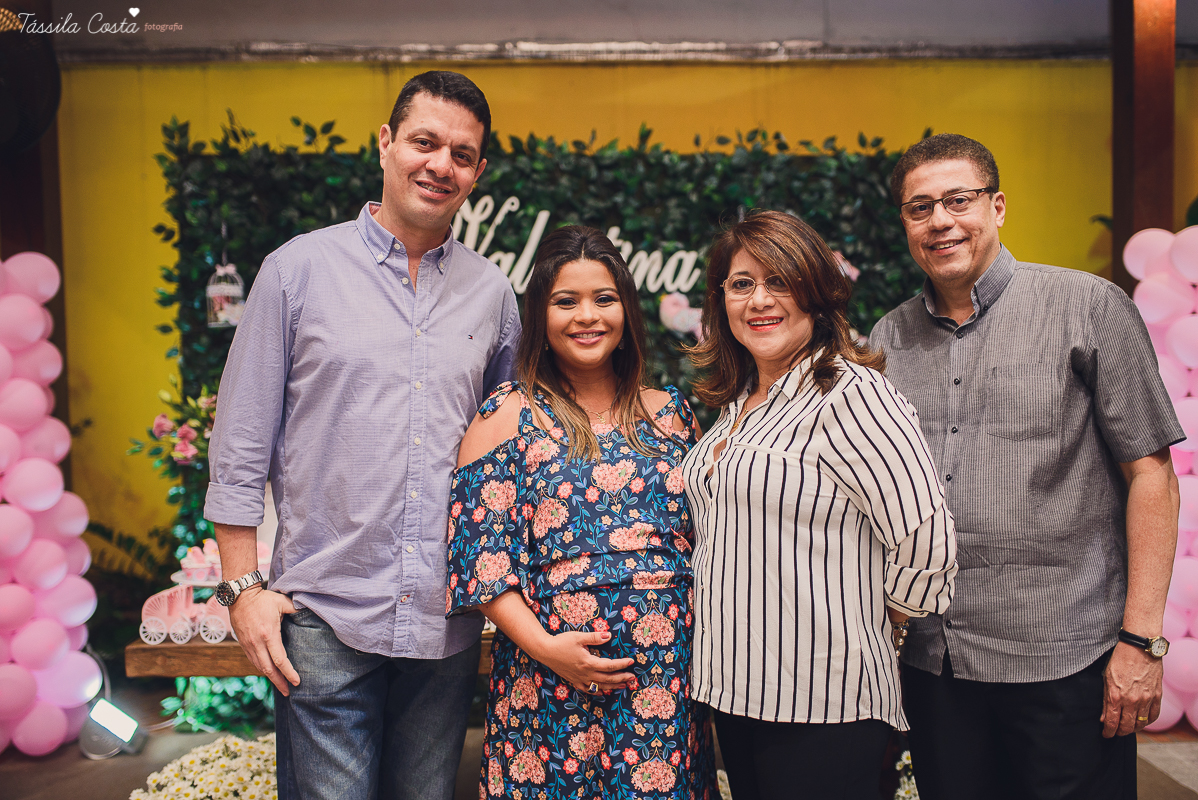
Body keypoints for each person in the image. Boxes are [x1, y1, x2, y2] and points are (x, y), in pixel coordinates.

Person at [204, 71, 521, 800]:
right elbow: (241, 444)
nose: (441, 165)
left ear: (477, 172)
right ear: (386, 143)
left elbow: (505, 451)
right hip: (322, 619)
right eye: (425, 142)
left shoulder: (493, 294)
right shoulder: (296, 272)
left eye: (462, 154)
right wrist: (243, 588)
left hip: (444, 622)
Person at [869, 132, 1184, 800]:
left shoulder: (1089, 308)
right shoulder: (888, 339)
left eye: (959, 200)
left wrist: (1142, 642)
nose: (940, 221)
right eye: (919, 208)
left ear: (999, 206)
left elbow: (1151, 474)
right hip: (936, 665)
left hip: (1067, 660)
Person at [679, 210, 958, 800]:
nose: (759, 300)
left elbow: (926, 534)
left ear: (815, 291)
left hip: (821, 696)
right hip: (734, 686)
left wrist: (889, 621)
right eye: (741, 284)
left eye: (779, 281)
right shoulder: (742, 399)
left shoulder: (851, 394)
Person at [446, 225, 718, 800]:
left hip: (665, 686)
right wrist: (549, 650)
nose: (586, 316)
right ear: (539, 316)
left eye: (604, 299)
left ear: (627, 310)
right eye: (565, 302)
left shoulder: (671, 413)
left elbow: (707, 543)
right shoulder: (506, 414)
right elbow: (482, 562)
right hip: (548, 684)